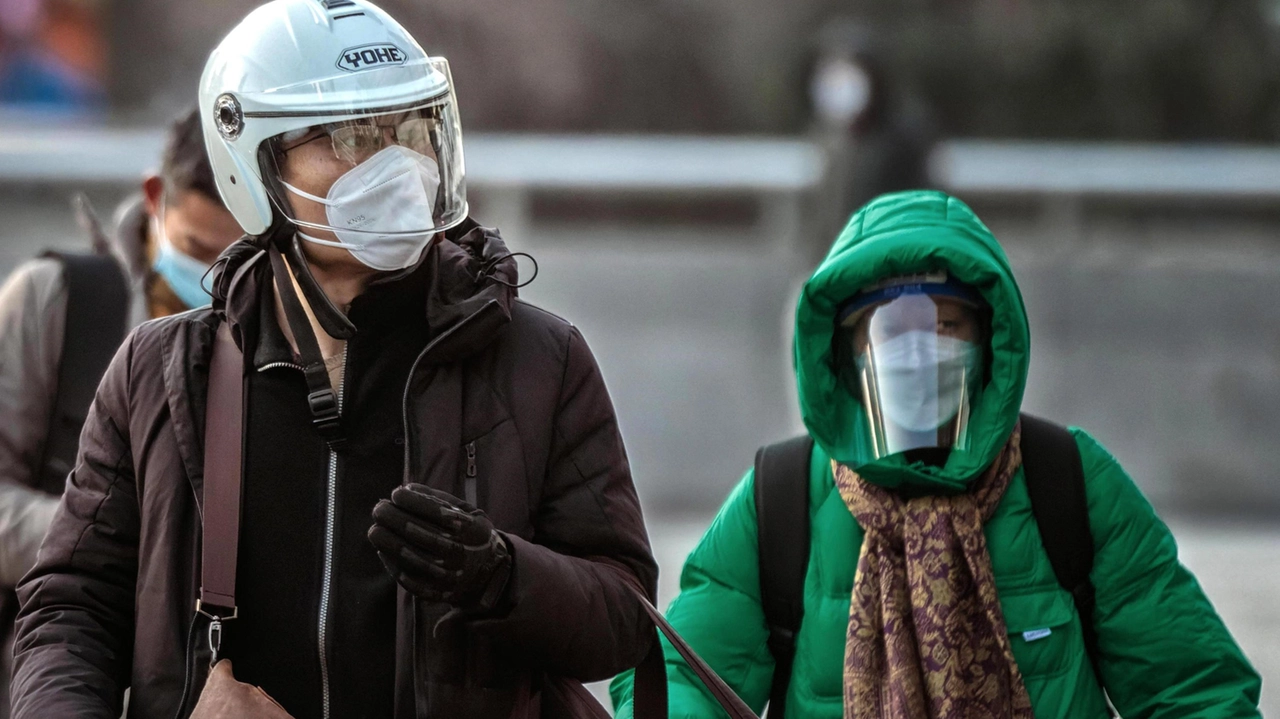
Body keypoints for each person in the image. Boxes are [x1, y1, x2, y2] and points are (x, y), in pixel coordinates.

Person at [9, 1, 657, 717]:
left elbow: (626, 617)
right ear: (250, 165)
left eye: (409, 129)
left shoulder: (540, 359)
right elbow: (70, 606)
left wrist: (505, 577)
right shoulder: (162, 369)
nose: (395, 164)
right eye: (349, 137)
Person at [610, 190, 1261, 718]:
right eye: (889, 330)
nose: (919, 349)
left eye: (946, 324)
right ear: (846, 352)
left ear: (988, 344)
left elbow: (1197, 688)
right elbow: (673, 676)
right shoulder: (780, 498)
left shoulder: (1067, 479)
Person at [0, 106, 242, 718]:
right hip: (50, 678)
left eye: (237, 262)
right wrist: (123, 544)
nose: (214, 281)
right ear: (156, 196)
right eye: (195, 250)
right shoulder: (58, 301)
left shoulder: (273, 334)